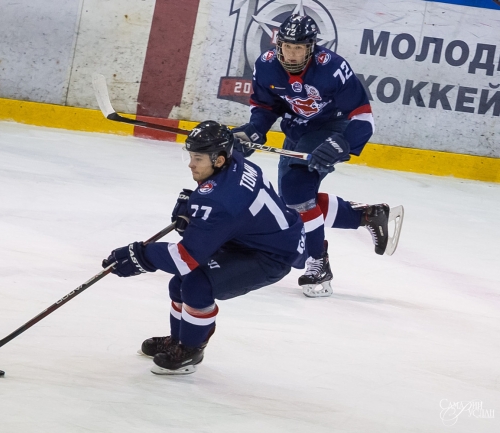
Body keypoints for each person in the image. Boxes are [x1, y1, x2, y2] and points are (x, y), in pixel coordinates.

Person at [102, 121, 306, 375]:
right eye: (191, 156)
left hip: (271, 254)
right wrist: (194, 217)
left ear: (219, 160)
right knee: (179, 284)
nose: (191, 164)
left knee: (196, 285)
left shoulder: (220, 201)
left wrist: (140, 255)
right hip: (254, 237)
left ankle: (190, 349)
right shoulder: (235, 161)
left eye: (198, 158)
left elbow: (184, 258)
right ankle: (177, 340)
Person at [232, 12, 403, 298]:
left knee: (296, 191)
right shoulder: (266, 66)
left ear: (311, 47)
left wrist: (342, 143)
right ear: (278, 44)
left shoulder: (332, 68)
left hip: (333, 128)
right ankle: (368, 216)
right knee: (293, 202)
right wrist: (255, 130)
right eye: (287, 46)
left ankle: (318, 262)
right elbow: (265, 106)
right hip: (298, 131)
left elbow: (364, 118)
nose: (292, 53)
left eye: (299, 47)